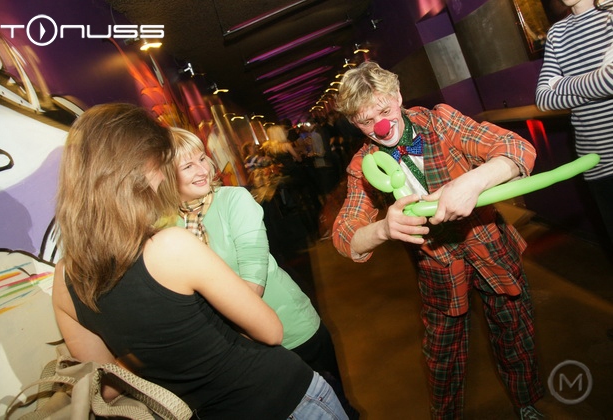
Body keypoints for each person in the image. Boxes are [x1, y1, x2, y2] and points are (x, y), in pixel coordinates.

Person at [52, 103, 348, 420]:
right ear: (136, 171)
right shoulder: (171, 245)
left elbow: (106, 386)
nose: (161, 175)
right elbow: (270, 331)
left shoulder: (63, 278)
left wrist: (147, 353)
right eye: (161, 163)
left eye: (201, 159)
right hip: (281, 397)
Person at [331, 61, 544, 419]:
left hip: (490, 247)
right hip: (437, 268)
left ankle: (526, 404)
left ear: (398, 97)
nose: (380, 126)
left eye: (384, 111)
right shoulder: (364, 165)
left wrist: (472, 182)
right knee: (443, 359)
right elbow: (344, 235)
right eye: (366, 121)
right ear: (354, 122)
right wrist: (383, 229)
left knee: (516, 334)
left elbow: (516, 147)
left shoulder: (440, 121)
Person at [159, 127, 359, 419]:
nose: (202, 170)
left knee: (335, 407)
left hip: (290, 331)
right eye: (188, 166)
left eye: (202, 159)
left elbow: (253, 281)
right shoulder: (166, 225)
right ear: (165, 176)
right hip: (241, 353)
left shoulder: (233, 199)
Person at [535, 0, 613, 255]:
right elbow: (543, 99)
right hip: (594, 162)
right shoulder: (557, 33)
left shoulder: (610, 16)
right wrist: (596, 83)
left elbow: (611, 80)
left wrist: (561, 84)